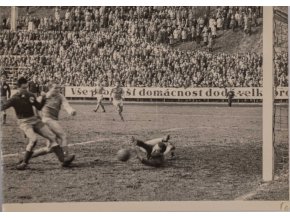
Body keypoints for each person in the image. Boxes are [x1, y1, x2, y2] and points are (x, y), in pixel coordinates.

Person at [1, 77, 75, 170]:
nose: (25, 90)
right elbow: (3, 106)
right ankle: (25, 162)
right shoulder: (14, 98)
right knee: (34, 140)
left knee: (52, 137)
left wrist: (43, 98)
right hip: (24, 122)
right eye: (23, 88)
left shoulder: (30, 95)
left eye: (26, 88)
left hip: (35, 120)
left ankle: (63, 160)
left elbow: (39, 107)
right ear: (18, 87)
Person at [18, 82, 77, 161]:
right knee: (63, 136)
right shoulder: (44, 96)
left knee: (49, 148)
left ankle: (25, 157)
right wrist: (37, 117)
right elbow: (34, 106)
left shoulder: (60, 96)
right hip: (47, 119)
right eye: (55, 88)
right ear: (50, 88)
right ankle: (65, 157)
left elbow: (66, 105)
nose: (58, 90)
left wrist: (71, 111)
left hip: (52, 120)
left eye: (59, 88)